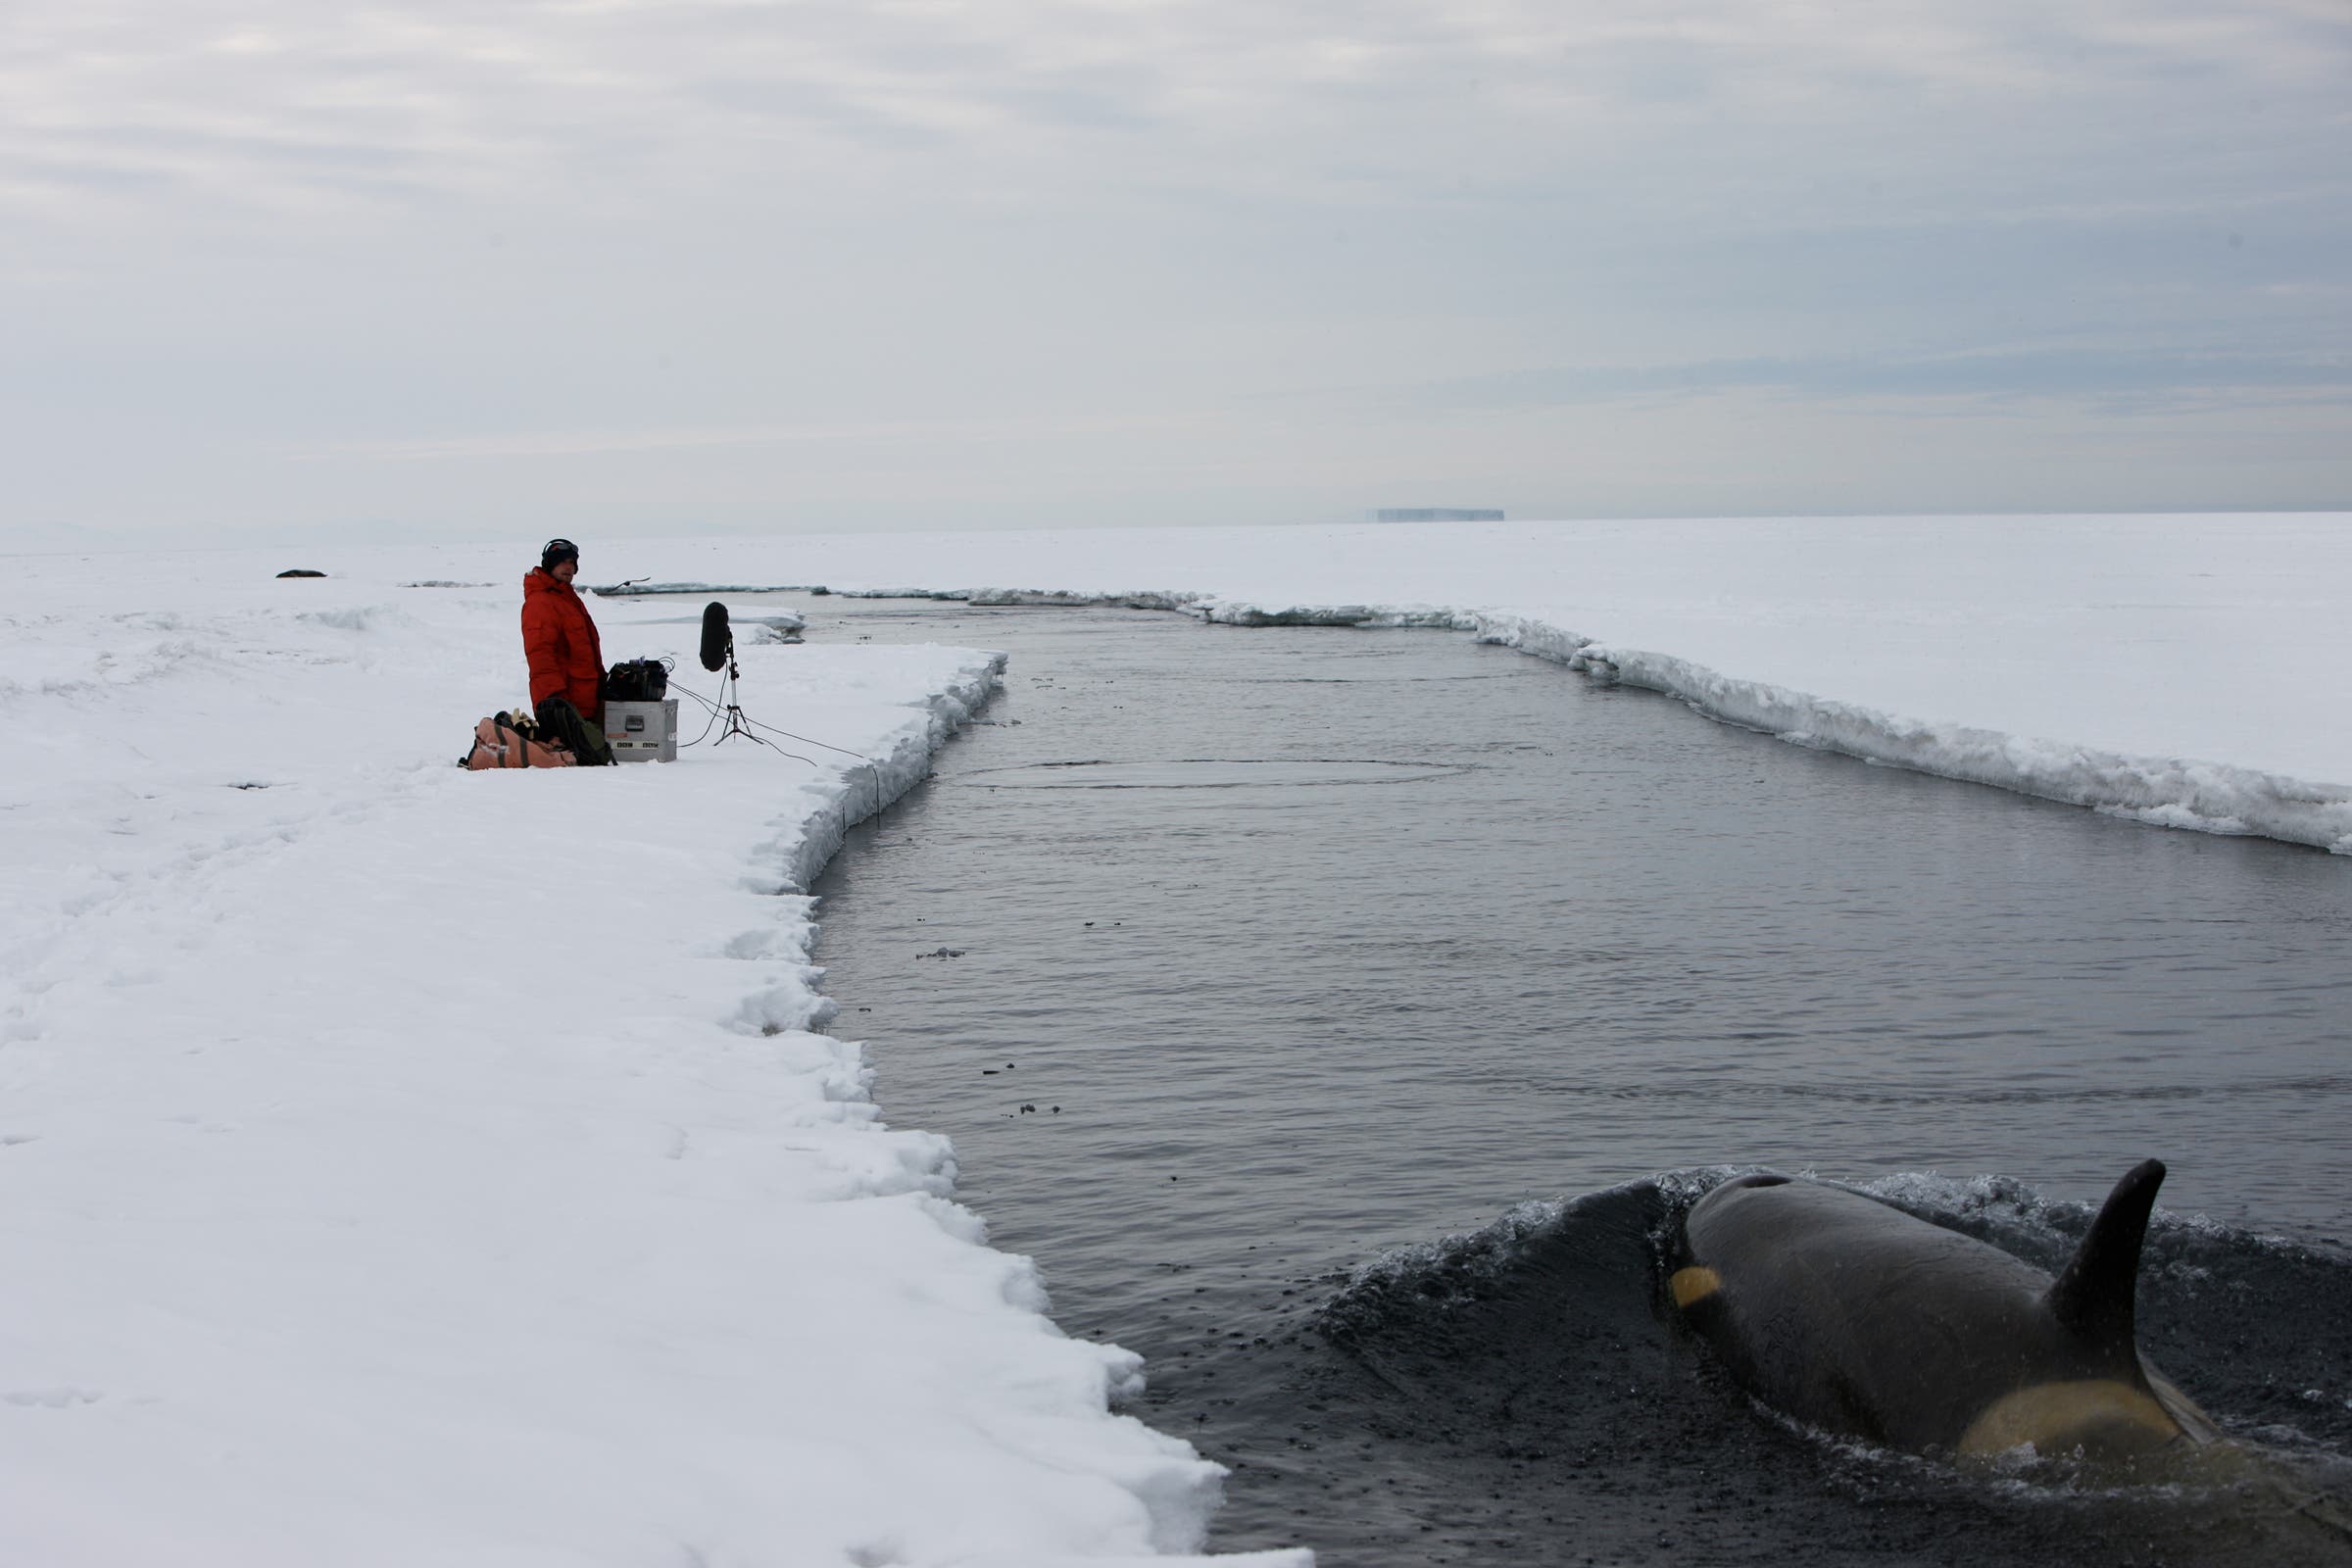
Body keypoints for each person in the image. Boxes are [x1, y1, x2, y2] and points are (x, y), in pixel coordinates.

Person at [520, 537, 613, 764]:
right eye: (562, 562)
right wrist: (556, 701)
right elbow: (540, 654)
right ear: (550, 564)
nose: (568, 568)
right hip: (566, 702)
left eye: (572, 563)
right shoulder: (541, 601)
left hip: (583, 699)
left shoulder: (566, 598)